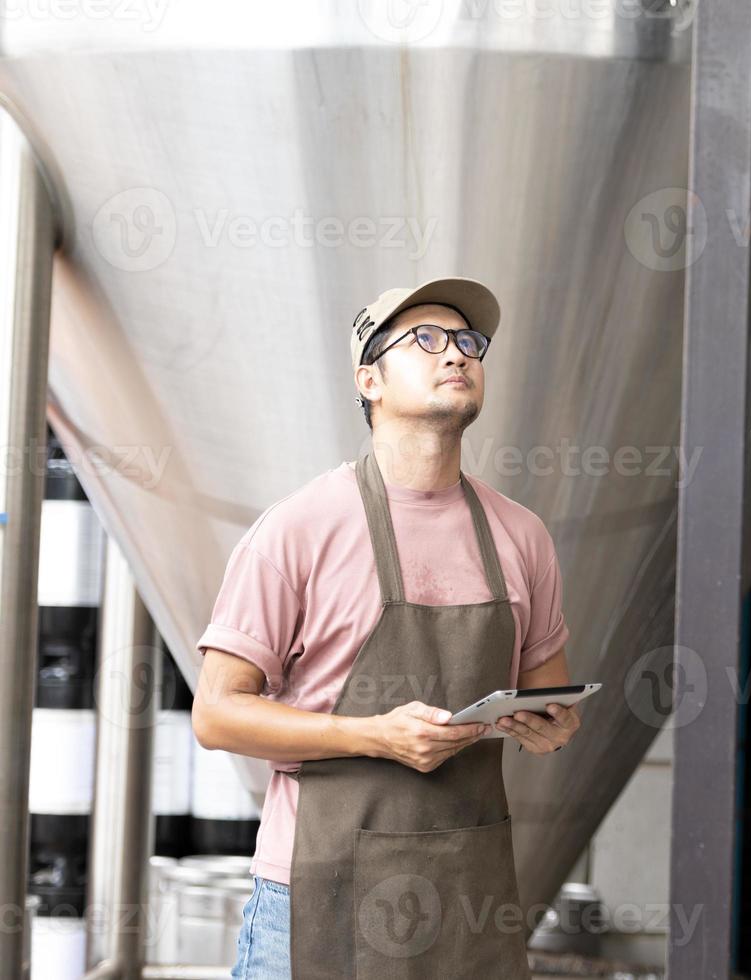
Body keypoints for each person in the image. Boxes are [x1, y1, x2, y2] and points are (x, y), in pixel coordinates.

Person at [192, 276, 581, 979]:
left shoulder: (521, 536)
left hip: (471, 898)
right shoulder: (299, 529)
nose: (456, 355)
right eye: (426, 341)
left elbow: (546, 697)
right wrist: (375, 735)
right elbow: (217, 716)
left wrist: (550, 724)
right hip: (317, 891)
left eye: (469, 343)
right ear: (368, 380)